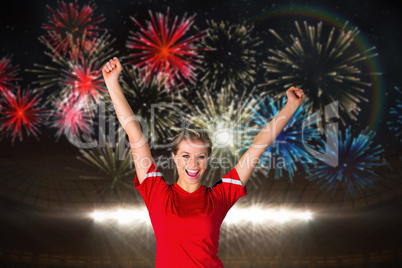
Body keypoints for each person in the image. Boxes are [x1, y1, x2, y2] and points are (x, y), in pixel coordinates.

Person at [102, 57, 305, 267]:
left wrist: (290, 106)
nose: (193, 164)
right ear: (174, 158)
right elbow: (134, 134)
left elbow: (257, 148)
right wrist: (111, 82)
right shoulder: (157, 192)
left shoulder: (219, 196)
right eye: (186, 156)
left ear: (207, 160)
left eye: (200, 157)